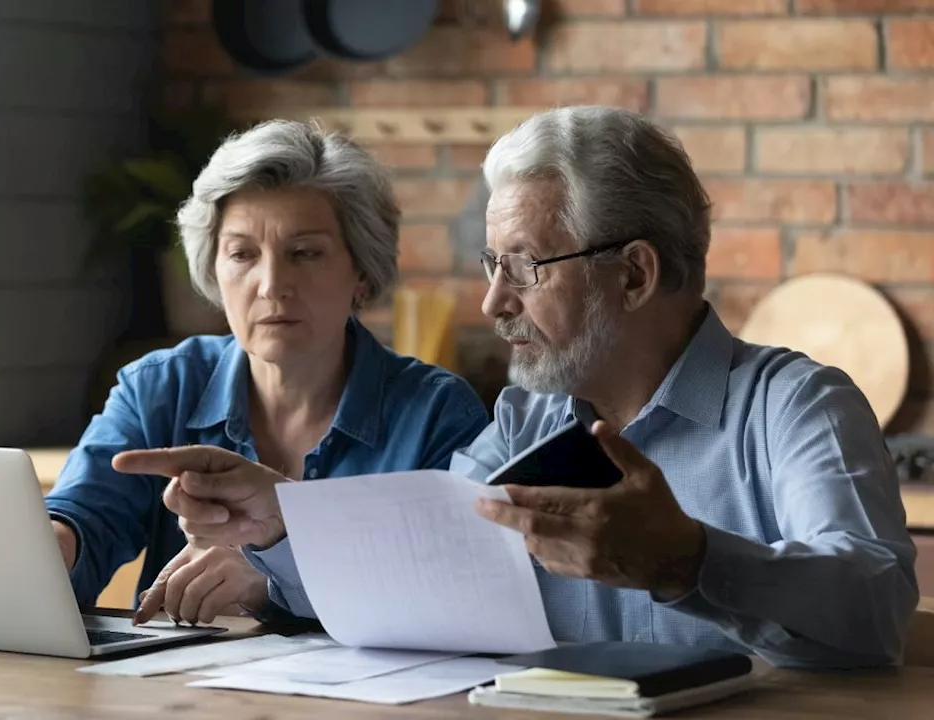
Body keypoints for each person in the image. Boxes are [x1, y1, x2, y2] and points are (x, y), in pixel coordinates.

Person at [115, 106, 919, 669]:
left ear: (634, 274)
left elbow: (876, 608)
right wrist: (283, 522)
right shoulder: (522, 420)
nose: (496, 303)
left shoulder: (795, 405)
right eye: (491, 267)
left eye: (525, 268)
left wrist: (687, 559)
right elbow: (420, 568)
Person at [45, 119, 489, 626]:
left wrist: (277, 582)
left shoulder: (436, 414)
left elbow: (454, 592)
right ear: (214, 270)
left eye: (305, 253)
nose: (272, 284)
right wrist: (51, 550)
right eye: (242, 254)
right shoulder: (160, 387)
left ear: (362, 274)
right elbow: (85, 517)